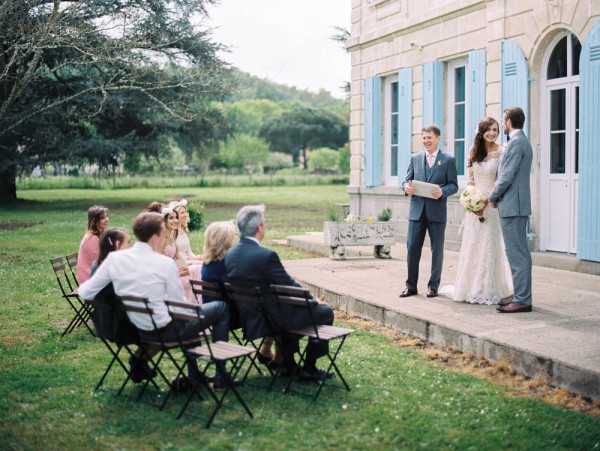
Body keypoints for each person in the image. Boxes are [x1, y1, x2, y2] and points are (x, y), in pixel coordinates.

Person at [78, 212, 238, 390]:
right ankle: (221, 375)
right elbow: (182, 306)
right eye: (164, 234)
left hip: (141, 327)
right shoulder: (164, 263)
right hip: (165, 330)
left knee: (189, 318)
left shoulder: (114, 259)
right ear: (154, 237)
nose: (166, 238)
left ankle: (194, 374)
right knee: (219, 308)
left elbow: (85, 292)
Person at [224, 204, 334, 381]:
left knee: (291, 311)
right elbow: (289, 285)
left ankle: (288, 365)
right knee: (325, 313)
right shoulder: (266, 256)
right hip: (271, 320)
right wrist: (313, 301)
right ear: (259, 227)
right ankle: (309, 367)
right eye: (265, 223)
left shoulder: (231, 254)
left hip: (249, 317)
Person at [450, 117, 513, 304]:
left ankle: (488, 287)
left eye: (495, 130)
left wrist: (486, 201)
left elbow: (499, 180)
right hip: (474, 205)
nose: (492, 133)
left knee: (489, 245)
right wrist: (471, 200)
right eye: (489, 130)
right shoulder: (474, 150)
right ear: (481, 131)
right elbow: (470, 179)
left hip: (491, 205)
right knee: (473, 244)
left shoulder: (502, 152)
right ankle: (469, 286)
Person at [400, 125, 459, 298]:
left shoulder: (448, 160)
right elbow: (406, 181)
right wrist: (406, 187)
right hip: (416, 212)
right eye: (424, 138)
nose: (426, 141)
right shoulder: (415, 158)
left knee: (437, 250)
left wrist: (442, 192)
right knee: (412, 248)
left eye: (429, 138)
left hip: (437, 212)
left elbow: (454, 185)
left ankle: (433, 286)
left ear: (438, 138)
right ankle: (410, 286)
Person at [488, 107, 533, 313]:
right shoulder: (519, 141)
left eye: (503, 121)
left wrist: (492, 197)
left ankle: (523, 299)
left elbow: (507, 176)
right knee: (516, 252)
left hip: (513, 206)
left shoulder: (516, 143)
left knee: (518, 254)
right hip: (513, 204)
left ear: (508, 122)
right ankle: (520, 294)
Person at [160, 206, 200, 302]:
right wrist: (177, 273)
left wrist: (184, 268)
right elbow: (157, 263)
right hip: (168, 276)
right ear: (164, 221)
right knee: (189, 280)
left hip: (176, 270)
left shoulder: (170, 237)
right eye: (171, 218)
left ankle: (197, 303)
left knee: (195, 271)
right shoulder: (161, 239)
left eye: (176, 217)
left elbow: (178, 257)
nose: (175, 220)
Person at [201, 221, 237, 304]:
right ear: (226, 242)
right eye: (232, 237)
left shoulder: (207, 263)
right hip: (225, 313)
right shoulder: (226, 266)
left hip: (210, 309)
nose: (235, 240)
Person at [76, 205, 109, 284]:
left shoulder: (100, 236)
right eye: (103, 218)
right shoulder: (92, 239)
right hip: (89, 280)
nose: (107, 220)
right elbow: (103, 262)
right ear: (95, 221)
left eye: (107, 216)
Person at [171, 199, 203, 265]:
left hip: (188, 260)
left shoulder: (184, 229)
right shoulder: (172, 232)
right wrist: (195, 259)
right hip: (178, 262)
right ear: (176, 216)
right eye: (182, 213)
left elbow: (188, 251)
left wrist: (197, 257)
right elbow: (175, 255)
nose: (185, 214)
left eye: (185, 212)